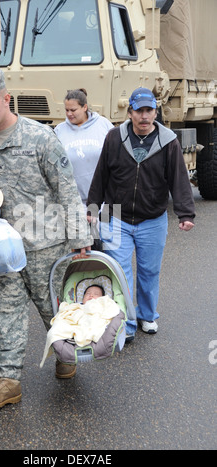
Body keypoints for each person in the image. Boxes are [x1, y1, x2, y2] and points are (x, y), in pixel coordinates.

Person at [0, 67, 93, 408]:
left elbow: (67, 190)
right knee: (6, 311)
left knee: (54, 311)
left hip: (45, 246)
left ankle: (66, 353)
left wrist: (80, 240)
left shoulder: (41, 138)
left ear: (6, 98)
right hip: (3, 249)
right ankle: (8, 381)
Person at [86, 87, 195, 337]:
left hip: (153, 218)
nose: (144, 117)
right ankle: (127, 322)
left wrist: (186, 214)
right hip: (115, 216)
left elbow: (178, 179)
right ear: (130, 112)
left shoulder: (168, 141)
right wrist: (93, 210)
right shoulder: (114, 137)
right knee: (119, 270)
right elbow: (101, 174)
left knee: (149, 270)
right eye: (139, 111)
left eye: (149, 111)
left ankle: (147, 315)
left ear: (155, 112)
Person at [54, 88, 113, 207]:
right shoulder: (59, 131)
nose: (69, 114)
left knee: (105, 225)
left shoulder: (103, 125)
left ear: (84, 107)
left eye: (73, 110)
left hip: (105, 201)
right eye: (66, 110)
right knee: (78, 226)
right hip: (75, 202)